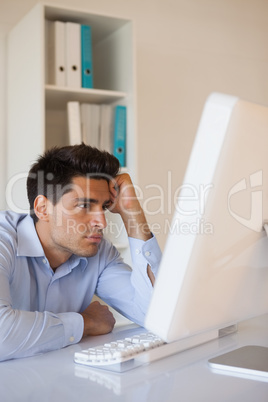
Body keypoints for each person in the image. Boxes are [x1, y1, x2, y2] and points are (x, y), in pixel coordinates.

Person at [0, 144, 161, 361]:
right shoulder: (4, 241)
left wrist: (133, 215)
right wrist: (85, 322)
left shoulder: (99, 251)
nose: (102, 222)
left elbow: (158, 317)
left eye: (104, 207)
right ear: (42, 208)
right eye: (84, 205)